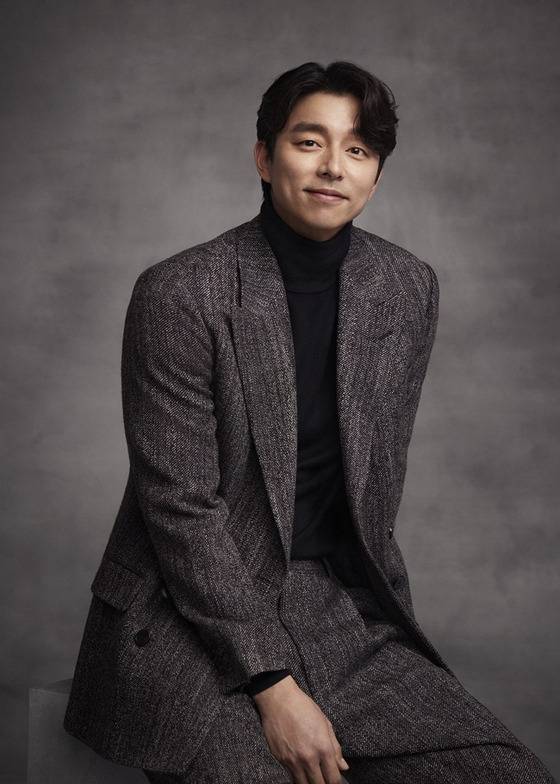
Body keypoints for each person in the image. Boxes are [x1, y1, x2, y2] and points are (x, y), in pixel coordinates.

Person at [63, 61, 556, 784]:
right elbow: (181, 509)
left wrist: (381, 631)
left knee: (511, 775)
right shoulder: (182, 292)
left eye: (358, 149)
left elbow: (377, 483)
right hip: (187, 618)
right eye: (309, 142)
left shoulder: (405, 287)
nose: (333, 167)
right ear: (264, 157)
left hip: (338, 610)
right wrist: (274, 684)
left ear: (375, 177)